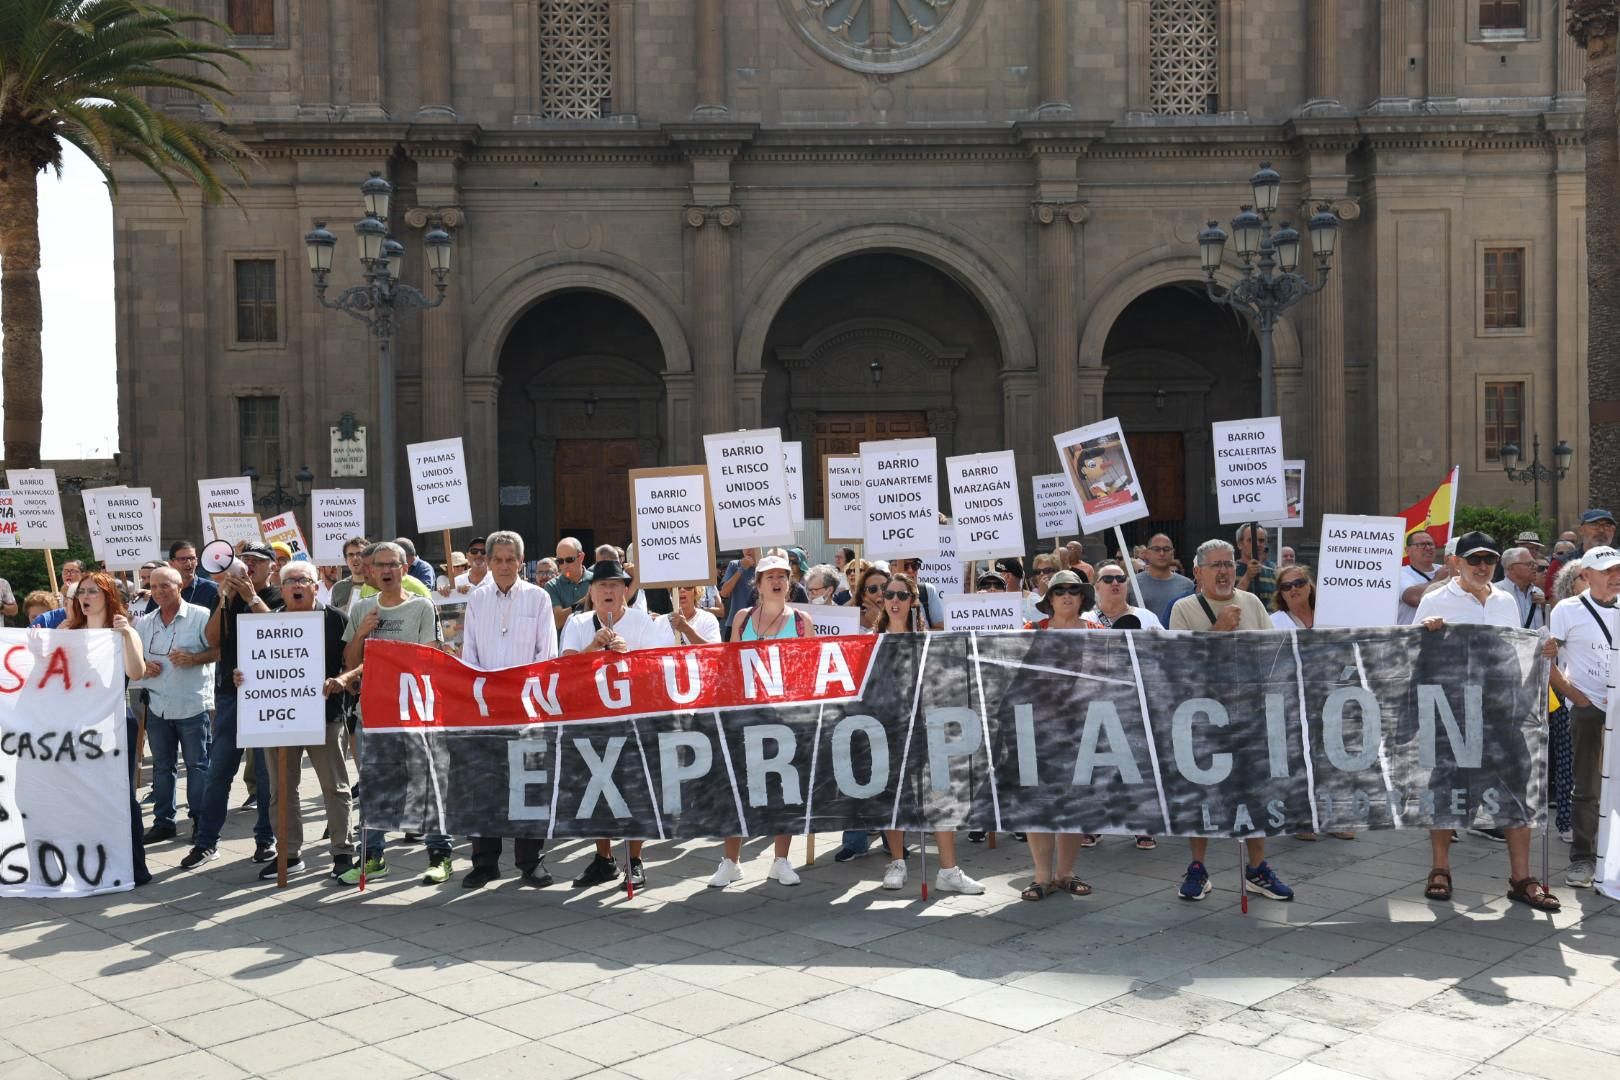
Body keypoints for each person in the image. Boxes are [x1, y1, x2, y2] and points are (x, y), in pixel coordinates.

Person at [1415, 530, 1558, 912]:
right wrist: (1426, 635)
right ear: (1456, 562)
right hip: (1453, 709)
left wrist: (1540, 649)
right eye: (1474, 559)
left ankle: (1521, 877)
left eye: (1488, 560)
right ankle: (1440, 869)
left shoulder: (1506, 600)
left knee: (1517, 787)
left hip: (1502, 709)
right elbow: (1412, 654)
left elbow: (1516, 649)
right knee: (1445, 786)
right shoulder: (1435, 599)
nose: (1482, 567)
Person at [1168, 540, 1293, 903]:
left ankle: (1257, 869)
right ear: (1198, 572)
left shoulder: (1252, 603)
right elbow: (1180, 666)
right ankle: (1197, 868)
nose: (1224, 571)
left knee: (1254, 792)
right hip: (1204, 718)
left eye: (1229, 564)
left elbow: (1274, 654)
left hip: (1251, 714)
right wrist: (1220, 630)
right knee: (1202, 795)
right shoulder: (1184, 609)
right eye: (1215, 565)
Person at [863, 572, 984, 895]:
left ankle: (948, 869)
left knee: (940, 795)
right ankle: (898, 862)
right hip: (888, 727)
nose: (895, 601)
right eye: (890, 595)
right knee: (894, 797)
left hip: (928, 726)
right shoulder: (872, 642)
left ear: (913, 601)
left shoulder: (929, 641)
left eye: (903, 596)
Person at [235, 561, 356, 880]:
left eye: (304, 580)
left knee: (336, 787)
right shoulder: (266, 623)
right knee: (282, 790)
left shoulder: (335, 620)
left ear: (316, 587)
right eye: (289, 581)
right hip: (280, 720)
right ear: (281, 587)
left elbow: (354, 663)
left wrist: (341, 680)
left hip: (325, 717)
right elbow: (255, 665)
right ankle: (288, 854)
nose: (296, 585)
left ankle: (343, 851)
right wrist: (243, 677)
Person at [561, 559, 676, 890]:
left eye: (615, 585)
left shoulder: (644, 623)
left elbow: (660, 669)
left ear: (626, 590)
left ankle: (635, 859)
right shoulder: (578, 623)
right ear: (592, 592)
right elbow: (565, 668)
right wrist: (593, 649)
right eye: (602, 585)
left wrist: (630, 658)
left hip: (633, 721)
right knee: (597, 792)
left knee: (634, 790)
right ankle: (603, 858)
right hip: (592, 720)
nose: (608, 591)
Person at [340, 541, 450, 885]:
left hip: (413, 711)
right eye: (380, 565)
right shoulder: (362, 609)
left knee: (427, 783)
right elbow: (351, 661)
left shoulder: (421, 608)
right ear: (370, 571)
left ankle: (439, 855)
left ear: (405, 569)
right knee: (374, 786)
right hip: (372, 711)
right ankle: (373, 857)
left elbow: (426, 658)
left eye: (393, 565)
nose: (386, 571)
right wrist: (362, 632)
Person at [459, 531, 558, 890]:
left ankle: (531, 862)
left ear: (521, 561)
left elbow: (545, 655)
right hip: (485, 709)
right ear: (486, 560)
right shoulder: (477, 598)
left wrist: (520, 695)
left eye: (509, 559)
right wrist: (482, 693)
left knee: (528, 787)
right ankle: (484, 862)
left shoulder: (538, 599)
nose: (503, 566)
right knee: (484, 786)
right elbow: (468, 652)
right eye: (496, 559)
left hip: (526, 709)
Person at [710, 554, 807, 889]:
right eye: (770, 577)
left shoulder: (801, 621)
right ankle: (730, 861)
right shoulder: (742, 618)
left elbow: (809, 670)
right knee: (737, 787)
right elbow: (732, 667)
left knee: (784, 789)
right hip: (747, 715)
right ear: (759, 583)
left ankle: (781, 860)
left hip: (785, 717)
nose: (777, 581)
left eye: (783, 576)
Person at [183, 543, 281, 871]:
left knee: (267, 776)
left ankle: (266, 839)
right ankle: (206, 841)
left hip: (268, 698)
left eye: (257, 561)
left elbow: (276, 632)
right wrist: (224, 599)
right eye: (246, 560)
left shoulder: (278, 598)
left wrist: (252, 598)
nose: (249, 565)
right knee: (218, 771)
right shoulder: (226, 598)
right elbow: (212, 640)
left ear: (272, 567)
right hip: (230, 694)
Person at [66, 571, 150, 886]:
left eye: (92, 592)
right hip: (78, 726)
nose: (85, 598)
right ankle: (92, 865)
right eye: (81, 593)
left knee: (122, 795)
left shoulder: (123, 631)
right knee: (83, 795)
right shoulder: (71, 633)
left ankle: (134, 865)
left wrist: (127, 636)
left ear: (107, 597)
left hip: (115, 724)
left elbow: (137, 672)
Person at [1018, 568, 1095, 897]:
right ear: (1048, 599)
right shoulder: (1030, 630)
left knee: (1074, 800)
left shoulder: (1096, 631)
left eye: (1074, 591)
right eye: (1059, 590)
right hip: (1038, 727)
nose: (1067, 595)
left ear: (1081, 598)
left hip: (1082, 726)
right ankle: (1041, 876)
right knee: (1037, 801)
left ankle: (1066, 872)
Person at [1547, 545, 1620, 890]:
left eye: (1619, 570)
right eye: (1608, 571)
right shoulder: (1568, 609)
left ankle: (1612, 855)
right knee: (1587, 787)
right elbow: (1547, 659)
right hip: (1589, 711)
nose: (1615, 576)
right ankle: (1582, 859)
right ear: (1586, 575)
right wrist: (1580, 699)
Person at [132, 568, 216, 844]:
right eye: (153, 587)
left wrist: (195, 659)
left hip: (192, 704)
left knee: (197, 765)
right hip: (157, 705)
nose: (158, 592)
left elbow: (220, 650)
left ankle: (200, 822)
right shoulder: (144, 622)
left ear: (179, 585)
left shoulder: (201, 616)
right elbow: (134, 662)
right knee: (162, 767)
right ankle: (163, 822)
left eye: (164, 586)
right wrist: (144, 668)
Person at [1085, 560, 1163, 630]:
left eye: (1120, 578)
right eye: (1108, 579)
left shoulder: (1147, 617)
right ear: (1096, 587)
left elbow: (1166, 644)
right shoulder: (1086, 620)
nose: (1115, 583)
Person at [1137, 534, 1195, 626]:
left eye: (1166, 549)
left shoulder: (1187, 585)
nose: (1162, 553)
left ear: (1173, 553)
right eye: (1156, 549)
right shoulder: (1132, 584)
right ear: (1147, 553)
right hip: (1143, 639)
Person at [1398, 530, 1446, 626]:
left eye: (1430, 544)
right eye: (1421, 545)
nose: (1428, 548)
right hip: (1409, 636)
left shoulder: (1446, 570)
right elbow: (1414, 598)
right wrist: (1438, 579)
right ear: (1407, 550)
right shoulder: (1399, 573)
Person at [544, 537, 592, 629]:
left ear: (581, 557)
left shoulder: (596, 580)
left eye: (570, 560)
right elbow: (557, 622)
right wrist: (584, 601)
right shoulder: (552, 586)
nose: (565, 565)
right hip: (566, 642)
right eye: (560, 561)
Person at [1495, 546, 1546, 631]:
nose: (1535, 568)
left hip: (1537, 644)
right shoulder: (1495, 592)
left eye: (1535, 564)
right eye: (1529, 564)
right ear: (1510, 567)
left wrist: (1545, 607)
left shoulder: (1537, 592)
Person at [889, 557, 944, 629]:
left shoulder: (927, 591)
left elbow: (941, 629)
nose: (910, 570)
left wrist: (918, 636)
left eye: (915, 565)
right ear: (890, 569)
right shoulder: (881, 594)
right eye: (905, 565)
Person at [717, 547, 760, 638]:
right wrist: (741, 569)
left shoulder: (764, 567)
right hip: (735, 624)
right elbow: (724, 593)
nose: (748, 550)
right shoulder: (734, 565)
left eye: (751, 546)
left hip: (760, 625)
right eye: (745, 546)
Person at [1234, 524, 1276, 608]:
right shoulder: (1230, 570)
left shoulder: (1273, 571)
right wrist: (1247, 576)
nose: (1257, 544)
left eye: (1261, 540)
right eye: (1251, 540)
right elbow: (1232, 601)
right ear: (1240, 544)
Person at [328, 537, 369, 614]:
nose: (355, 558)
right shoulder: (338, 588)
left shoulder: (379, 585)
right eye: (350, 555)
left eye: (359, 554)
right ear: (345, 560)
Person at [1270, 564, 1316, 631]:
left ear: (1309, 587)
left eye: (1299, 583)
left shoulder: (1326, 616)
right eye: (1287, 586)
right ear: (1281, 594)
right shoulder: (1272, 623)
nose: (1293, 588)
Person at [852, 564, 891, 632]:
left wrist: (879, 622)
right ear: (863, 595)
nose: (880, 593)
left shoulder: (900, 619)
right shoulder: (851, 620)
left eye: (885, 587)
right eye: (873, 589)